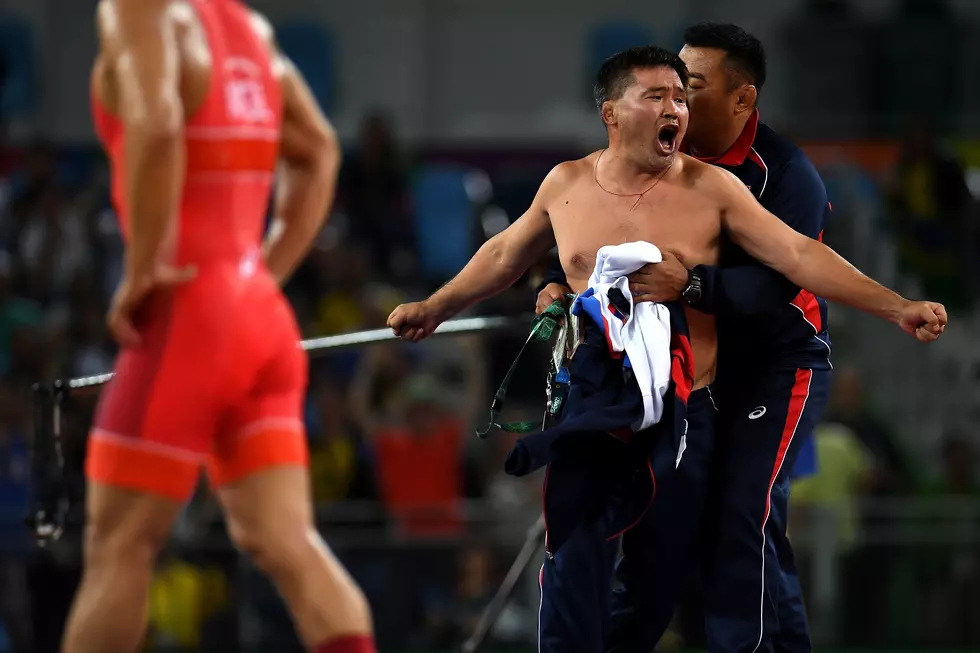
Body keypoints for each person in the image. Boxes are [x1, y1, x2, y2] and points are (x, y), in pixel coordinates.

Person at [387, 46, 945, 652]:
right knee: (574, 563)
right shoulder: (566, 183)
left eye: (680, 96)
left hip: (685, 411)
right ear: (612, 113)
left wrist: (898, 305)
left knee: (660, 582)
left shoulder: (713, 189)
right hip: (590, 406)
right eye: (655, 96)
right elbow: (503, 255)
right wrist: (434, 307)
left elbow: (799, 255)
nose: (675, 108)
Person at [62, 1, 375, 652]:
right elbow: (318, 149)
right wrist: (261, 275)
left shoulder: (138, 11)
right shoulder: (250, 29)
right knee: (288, 542)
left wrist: (144, 265)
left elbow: (156, 121)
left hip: (187, 317)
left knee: (118, 545)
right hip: (259, 319)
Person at [536, 23, 832, 652]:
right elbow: (589, 232)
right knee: (682, 536)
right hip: (689, 376)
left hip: (776, 366)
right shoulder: (659, 159)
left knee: (741, 518)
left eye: (689, 88)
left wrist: (691, 286)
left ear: (742, 100)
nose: (676, 102)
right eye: (667, 88)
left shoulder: (784, 176)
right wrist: (554, 282)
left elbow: (782, 281)